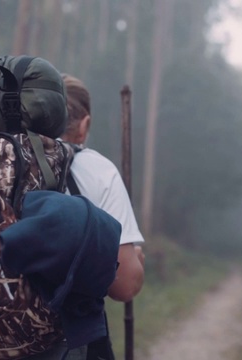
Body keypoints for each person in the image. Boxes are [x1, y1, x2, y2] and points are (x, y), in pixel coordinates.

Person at [60, 74, 145, 304]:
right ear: (84, 125)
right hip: (68, 335)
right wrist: (135, 258)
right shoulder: (98, 170)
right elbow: (125, 285)